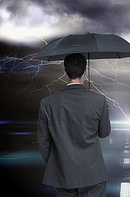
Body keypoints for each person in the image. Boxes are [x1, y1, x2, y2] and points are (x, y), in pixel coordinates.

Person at [37, 53, 111, 197]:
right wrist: (96, 102)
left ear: (64, 72)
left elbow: (43, 142)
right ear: (85, 71)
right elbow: (104, 132)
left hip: (63, 173)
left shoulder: (47, 103)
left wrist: (58, 164)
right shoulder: (99, 101)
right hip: (93, 174)